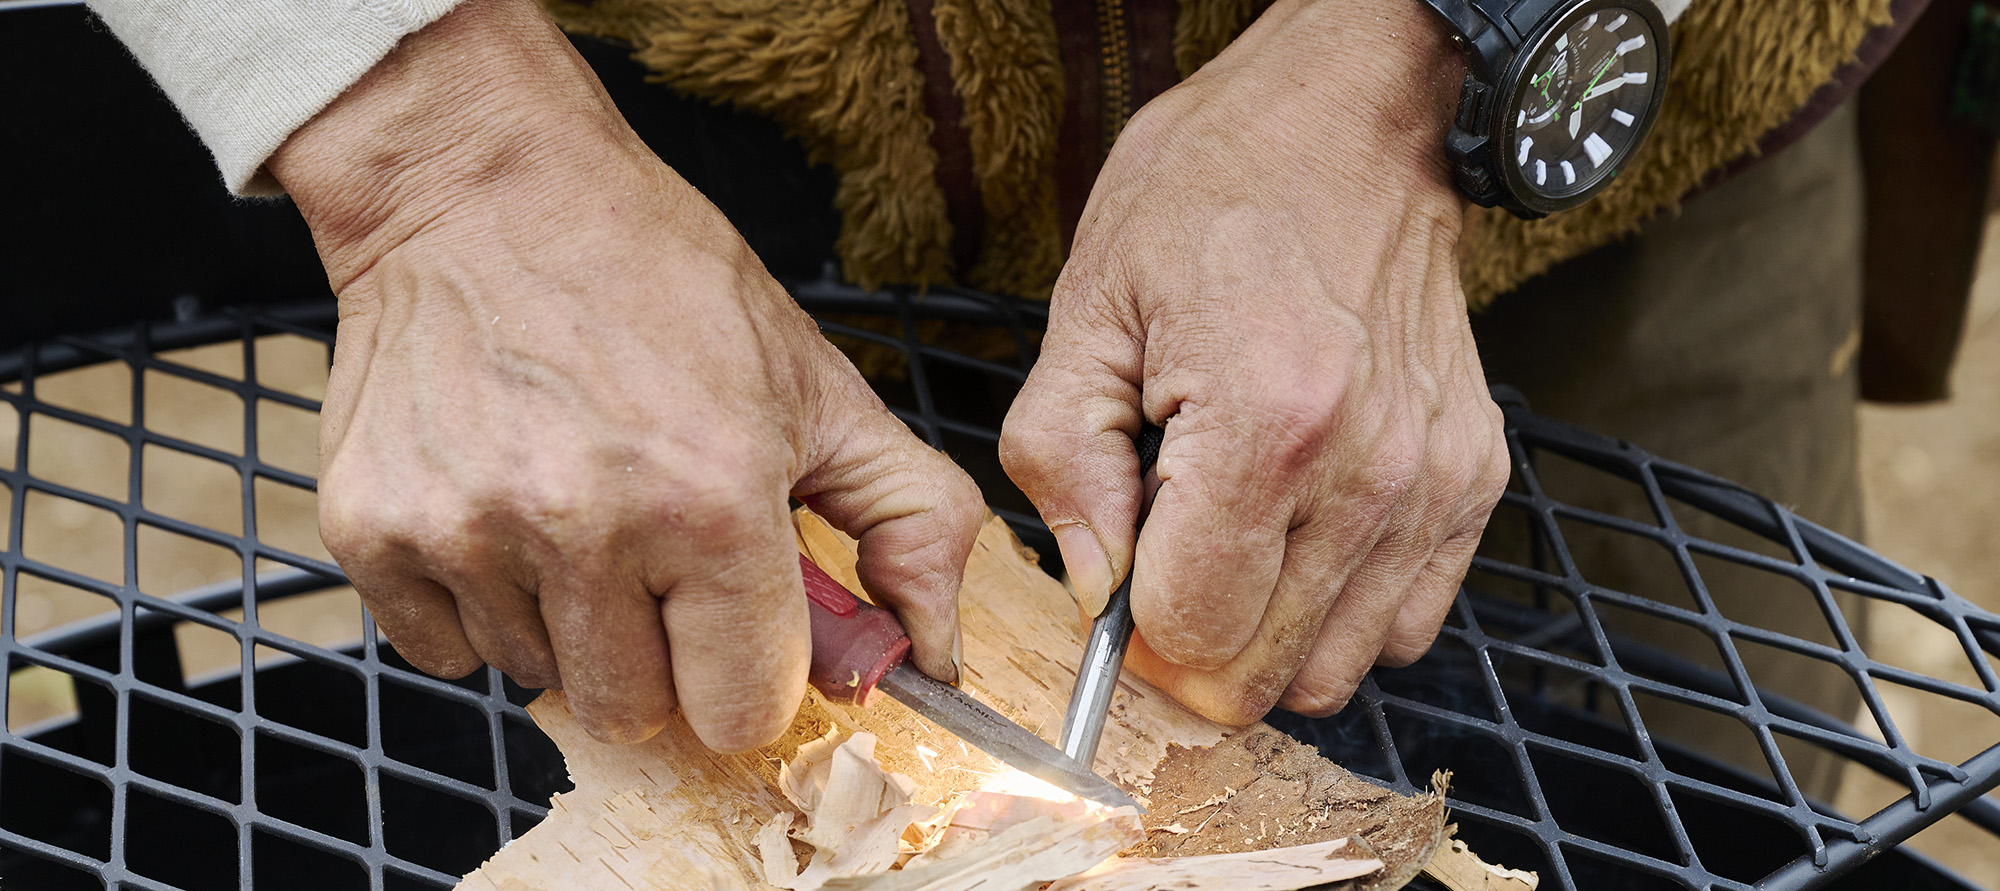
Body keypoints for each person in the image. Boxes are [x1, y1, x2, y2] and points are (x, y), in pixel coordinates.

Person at [84, 0, 1979, 762]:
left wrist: (1438, 49)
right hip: (652, 121)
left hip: (1592, 144)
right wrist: (435, 150)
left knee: (1727, 816)